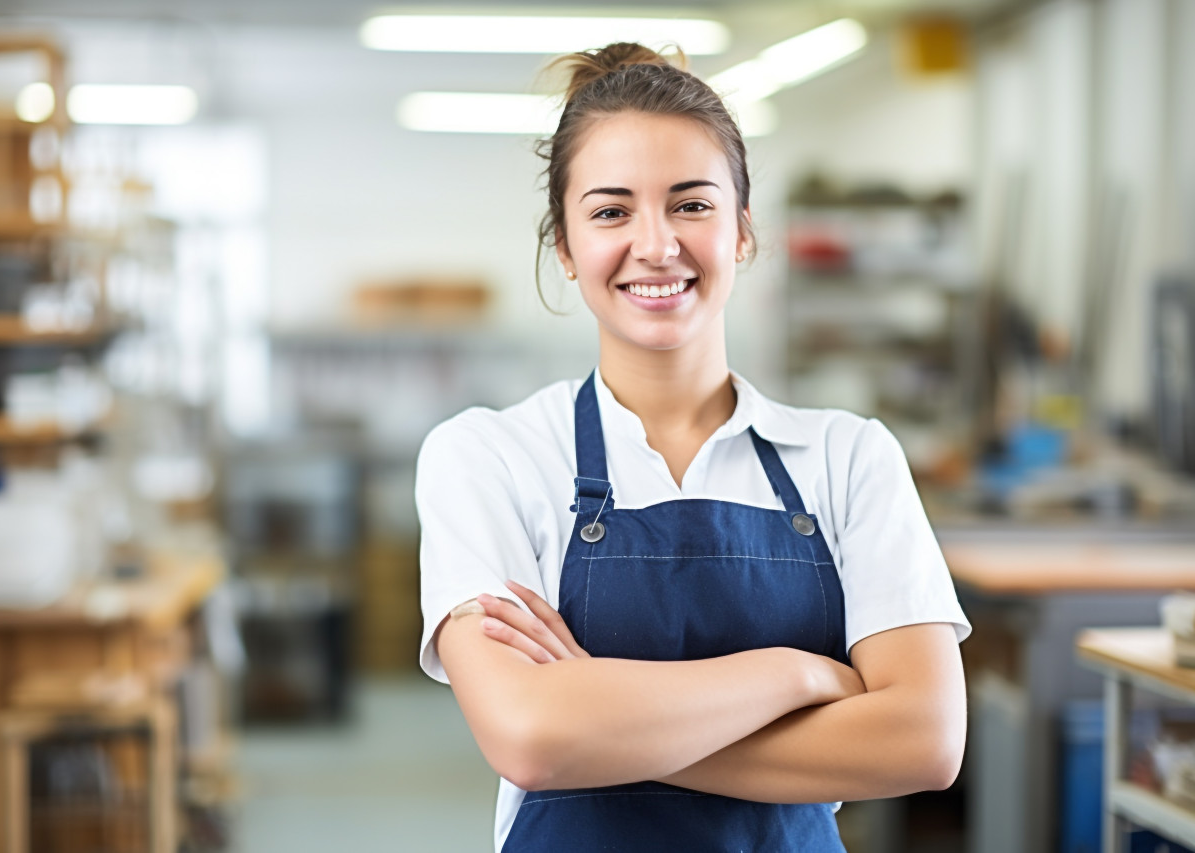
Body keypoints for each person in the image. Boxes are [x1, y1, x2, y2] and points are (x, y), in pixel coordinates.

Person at [415, 42, 971, 852]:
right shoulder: (489, 456)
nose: (655, 244)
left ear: (743, 231)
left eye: (692, 204)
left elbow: (924, 740)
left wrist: (600, 722)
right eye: (610, 211)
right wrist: (800, 675)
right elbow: (531, 737)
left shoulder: (849, 458)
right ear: (565, 248)